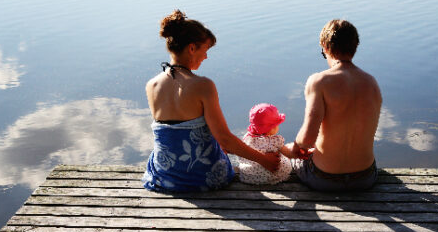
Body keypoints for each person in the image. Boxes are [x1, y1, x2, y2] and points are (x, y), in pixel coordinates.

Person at [142, 10, 280, 192]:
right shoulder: (203, 85)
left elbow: (176, 132)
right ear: (192, 48)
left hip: (164, 176)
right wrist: (265, 160)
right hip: (204, 179)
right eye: (205, 50)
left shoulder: (151, 85)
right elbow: (224, 139)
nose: (206, 56)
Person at [283, 19, 382, 191]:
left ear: (325, 46)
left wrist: (295, 147)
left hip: (324, 178)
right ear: (355, 46)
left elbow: (307, 139)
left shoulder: (319, 81)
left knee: (289, 154)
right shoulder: (371, 82)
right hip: (365, 177)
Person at [238, 103, 294, 185]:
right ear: (272, 128)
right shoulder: (275, 141)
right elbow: (289, 153)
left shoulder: (247, 138)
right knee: (286, 160)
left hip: (250, 177)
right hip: (274, 174)